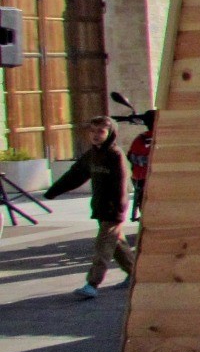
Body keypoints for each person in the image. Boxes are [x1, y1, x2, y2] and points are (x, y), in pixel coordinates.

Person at [44, 116, 134, 299]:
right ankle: (135, 274)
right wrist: (53, 191)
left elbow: (121, 186)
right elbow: (75, 175)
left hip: (113, 211)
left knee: (102, 248)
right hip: (100, 208)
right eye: (92, 131)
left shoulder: (115, 155)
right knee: (117, 245)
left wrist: (117, 211)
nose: (95, 135)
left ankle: (92, 284)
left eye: (101, 131)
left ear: (110, 133)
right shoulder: (92, 155)